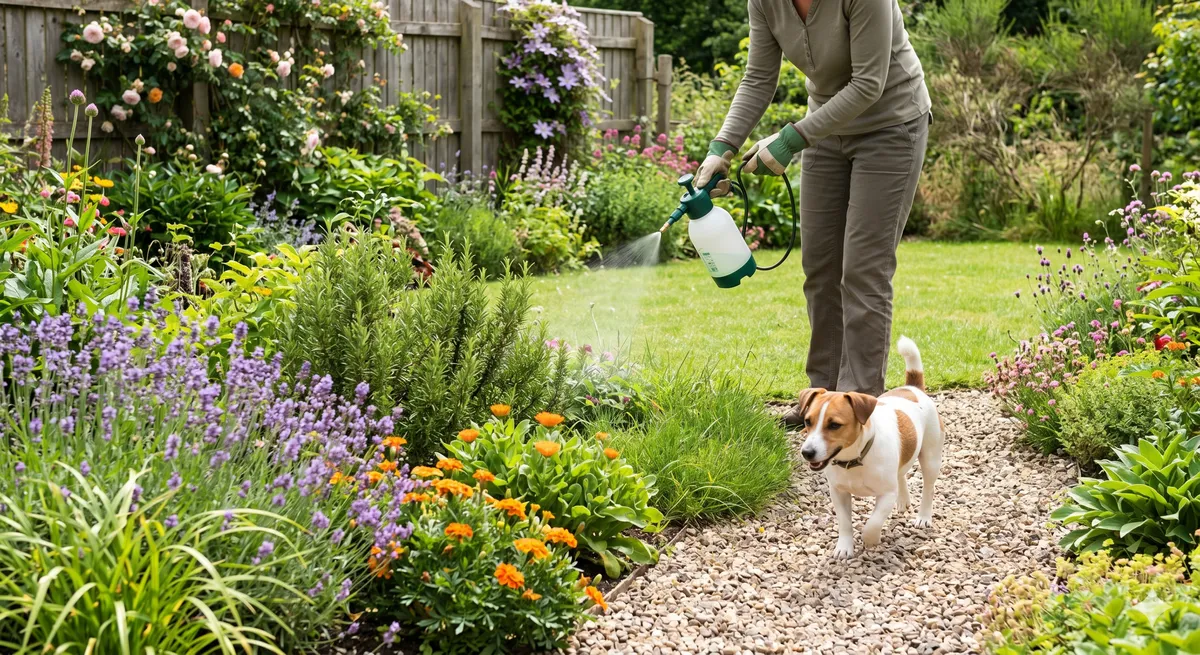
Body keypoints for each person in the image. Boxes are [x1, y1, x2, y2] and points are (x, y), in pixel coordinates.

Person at [694, 0, 931, 404]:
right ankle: (823, 400)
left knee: (863, 268)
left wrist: (790, 140)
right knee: (820, 268)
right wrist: (722, 147)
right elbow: (757, 77)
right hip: (825, 129)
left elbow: (868, 83)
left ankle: (858, 406)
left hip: (891, 126)